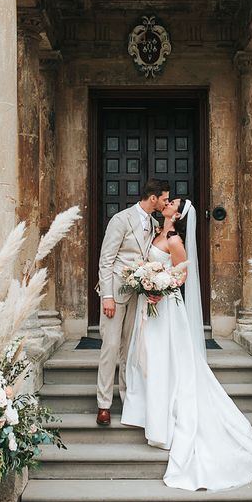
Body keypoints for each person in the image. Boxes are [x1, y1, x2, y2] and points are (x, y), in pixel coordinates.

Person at [121, 198, 252, 490]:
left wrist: (157, 285)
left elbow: (182, 276)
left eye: (171, 202)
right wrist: (144, 278)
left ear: (176, 215)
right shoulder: (155, 232)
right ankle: (148, 412)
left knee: (166, 361)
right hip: (151, 309)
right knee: (149, 359)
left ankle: (163, 421)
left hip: (165, 308)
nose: (166, 202)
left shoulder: (175, 240)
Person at [96, 178, 170, 426]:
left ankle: (128, 399)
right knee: (110, 346)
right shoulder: (121, 219)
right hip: (115, 294)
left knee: (129, 348)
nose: (166, 203)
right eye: (164, 199)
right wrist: (107, 296)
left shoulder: (153, 222)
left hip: (138, 294)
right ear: (153, 198)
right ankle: (104, 404)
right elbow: (106, 259)